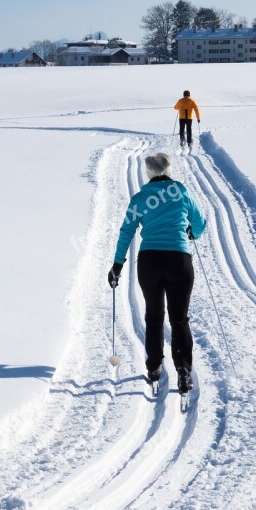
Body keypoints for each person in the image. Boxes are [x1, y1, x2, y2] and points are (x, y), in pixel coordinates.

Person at [108, 153, 207, 394]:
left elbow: (126, 232)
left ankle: (154, 368)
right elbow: (200, 223)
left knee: (154, 316)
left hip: (149, 261)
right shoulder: (181, 191)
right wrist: (191, 232)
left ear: (148, 172)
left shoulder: (140, 198)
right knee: (179, 318)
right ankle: (183, 371)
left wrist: (117, 265)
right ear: (169, 170)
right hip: (179, 260)